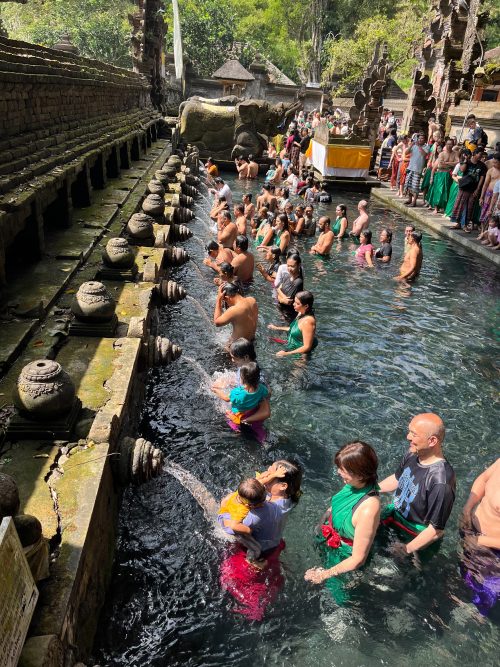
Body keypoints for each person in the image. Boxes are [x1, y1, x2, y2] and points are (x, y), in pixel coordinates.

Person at [304, 441, 380, 588]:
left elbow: (358, 559)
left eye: (343, 469)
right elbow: (335, 506)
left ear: (360, 474)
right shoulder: (353, 484)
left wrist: (324, 575)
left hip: (343, 557)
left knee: (337, 594)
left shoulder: (368, 509)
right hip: (329, 539)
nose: (338, 472)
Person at [379, 413, 456, 554]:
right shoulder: (413, 454)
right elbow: (397, 479)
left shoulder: (441, 481)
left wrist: (406, 550)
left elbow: (435, 529)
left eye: (414, 434)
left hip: (415, 534)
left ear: (432, 441)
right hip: (396, 516)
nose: (408, 437)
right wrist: (369, 490)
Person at [460, 458, 500, 615]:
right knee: (466, 575)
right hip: (474, 536)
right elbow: (484, 478)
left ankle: (474, 620)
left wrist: (480, 541)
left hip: (493, 553)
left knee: (483, 594)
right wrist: (468, 507)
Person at [213, 362, 270, 442]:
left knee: (228, 415)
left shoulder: (237, 392)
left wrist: (216, 391)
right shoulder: (262, 389)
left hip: (239, 415)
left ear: (243, 378)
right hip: (253, 414)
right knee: (257, 428)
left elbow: (226, 398)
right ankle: (263, 440)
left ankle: (238, 432)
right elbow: (267, 393)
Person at [269, 291, 318, 356]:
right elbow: (293, 329)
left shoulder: (308, 322)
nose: (293, 304)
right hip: (292, 346)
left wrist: (286, 353)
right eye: (294, 301)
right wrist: (276, 328)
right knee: (269, 339)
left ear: (306, 306)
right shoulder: (300, 313)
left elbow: (307, 347)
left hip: (301, 355)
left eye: (297, 303)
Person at [450, 149, 487, 231]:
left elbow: (482, 178)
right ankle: (458, 223)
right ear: (475, 154)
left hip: (473, 189)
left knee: (469, 207)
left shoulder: (482, 166)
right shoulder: (467, 162)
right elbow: (462, 170)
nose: (481, 156)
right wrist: (466, 160)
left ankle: (465, 225)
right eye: (480, 154)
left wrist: (478, 189)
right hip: (464, 187)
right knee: (460, 205)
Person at [426, 138, 458, 213]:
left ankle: (444, 207)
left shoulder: (455, 153)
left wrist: (446, 163)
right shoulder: (441, 154)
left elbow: (457, 162)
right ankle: (436, 208)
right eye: (448, 144)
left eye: (451, 144)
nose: (449, 146)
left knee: (447, 191)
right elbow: (441, 164)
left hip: (449, 174)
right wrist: (451, 163)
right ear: (446, 145)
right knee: (439, 191)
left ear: (453, 145)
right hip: (441, 174)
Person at [404, 133, 429, 207]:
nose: (420, 140)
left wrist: (419, 146)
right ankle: (409, 199)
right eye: (419, 138)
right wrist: (411, 145)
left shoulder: (426, 147)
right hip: (410, 167)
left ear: (425, 140)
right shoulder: (414, 145)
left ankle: (414, 202)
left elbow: (424, 154)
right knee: (408, 184)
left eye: (422, 138)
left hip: (418, 169)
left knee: (415, 186)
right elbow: (406, 153)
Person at [276, 252, 304, 320]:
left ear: (299, 265)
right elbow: (278, 289)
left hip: (289, 315)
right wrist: (281, 298)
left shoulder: (298, 282)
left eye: (292, 266)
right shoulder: (287, 276)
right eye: (288, 266)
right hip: (281, 311)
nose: (289, 268)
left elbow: (288, 302)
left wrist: (280, 297)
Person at [478, 152, 500, 231]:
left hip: (498, 196)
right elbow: (485, 184)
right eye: (493, 162)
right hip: (489, 194)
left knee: (493, 214)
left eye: (496, 162)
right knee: (484, 212)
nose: (494, 164)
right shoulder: (490, 170)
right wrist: (481, 197)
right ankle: (483, 231)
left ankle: (490, 232)